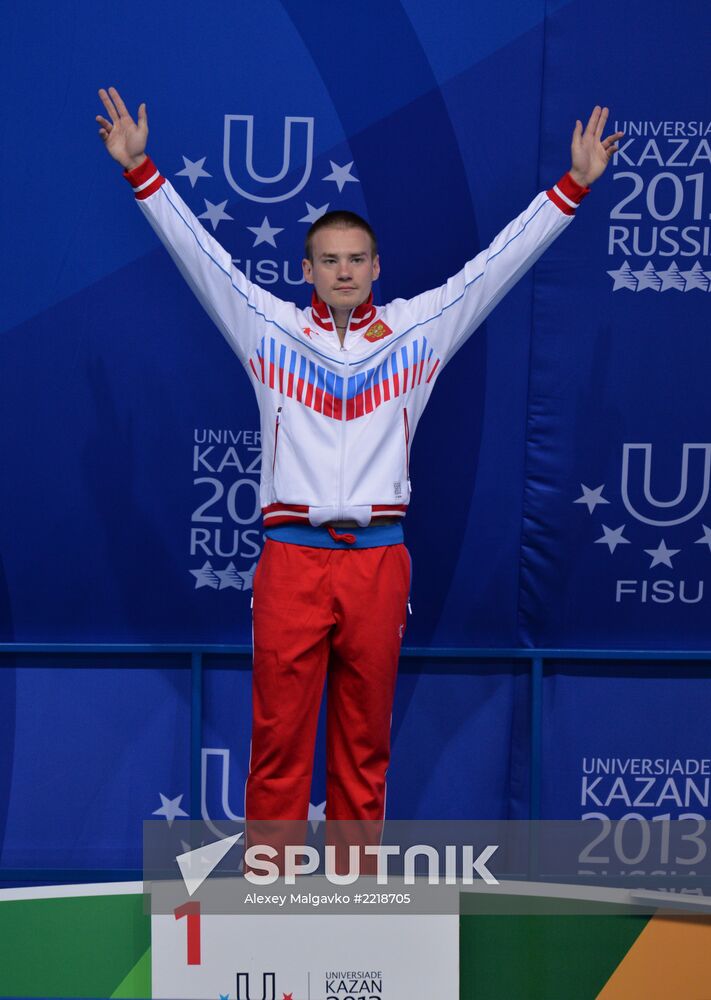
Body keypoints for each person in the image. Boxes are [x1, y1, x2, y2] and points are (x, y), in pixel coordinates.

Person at [97, 87, 622, 826]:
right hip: (291, 560)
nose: (343, 272)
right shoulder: (266, 329)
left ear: (378, 267)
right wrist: (141, 170)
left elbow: (498, 265)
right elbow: (202, 258)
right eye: (328, 261)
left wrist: (572, 187)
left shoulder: (420, 331)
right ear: (305, 270)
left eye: (356, 260)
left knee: (364, 742)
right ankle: (271, 900)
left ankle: (355, 904)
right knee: (278, 742)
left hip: (377, 562)